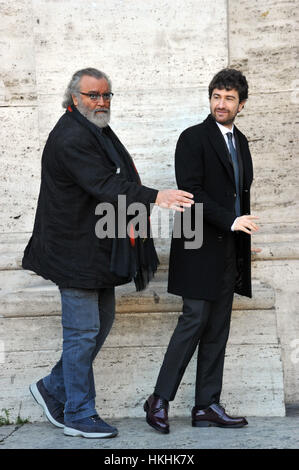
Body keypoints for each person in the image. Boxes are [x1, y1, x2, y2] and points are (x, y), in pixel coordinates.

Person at [22, 67, 194, 439]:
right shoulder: (71, 136)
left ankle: (52, 387)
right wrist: (155, 196)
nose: (100, 102)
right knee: (82, 333)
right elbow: (103, 183)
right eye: (92, 95)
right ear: (74, 98)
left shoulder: (93, 128)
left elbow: (114, 176)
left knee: (99, 326)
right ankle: (79, 414)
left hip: (96, 248)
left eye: (105, 95)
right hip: (74, 252)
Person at [144, 68, 260, 434]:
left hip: (229, 253)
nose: (221, 104)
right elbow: (191, 192)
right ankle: (159, 400)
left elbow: (239, 192)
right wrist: (230, 220)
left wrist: (239, 232)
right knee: (193, 321)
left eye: (228, 98)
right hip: (198, 248)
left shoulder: (240, 142)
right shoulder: (192, 138)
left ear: (241, 104)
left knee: (218, 329)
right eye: (216, 96)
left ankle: (207, 405)